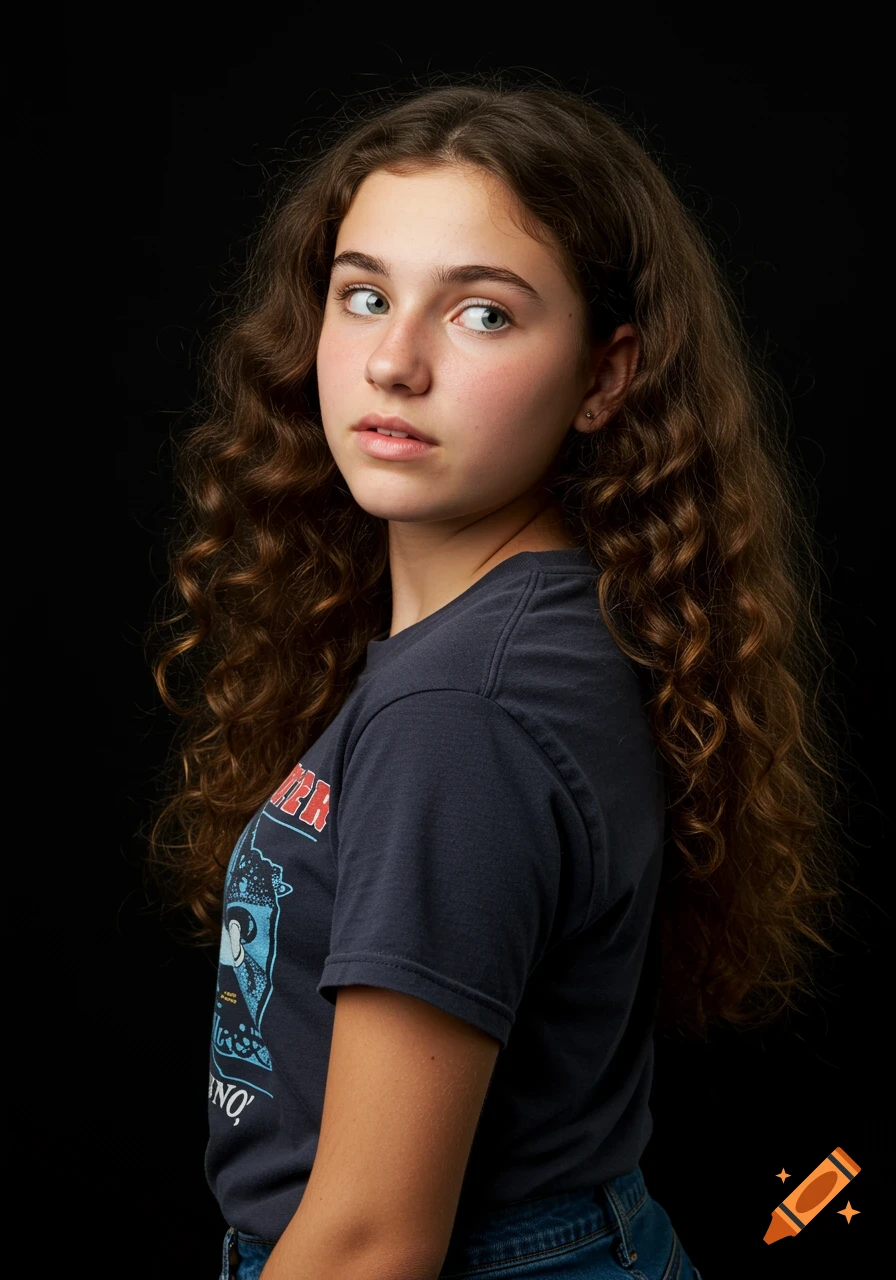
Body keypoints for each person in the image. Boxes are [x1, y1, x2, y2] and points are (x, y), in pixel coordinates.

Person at [150, 74, 850, 1279]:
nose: (393, 362)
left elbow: (371, 1241)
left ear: (604, 376)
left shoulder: (459, 711)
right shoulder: (548, 629)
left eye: (480, 313)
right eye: (363, 295)